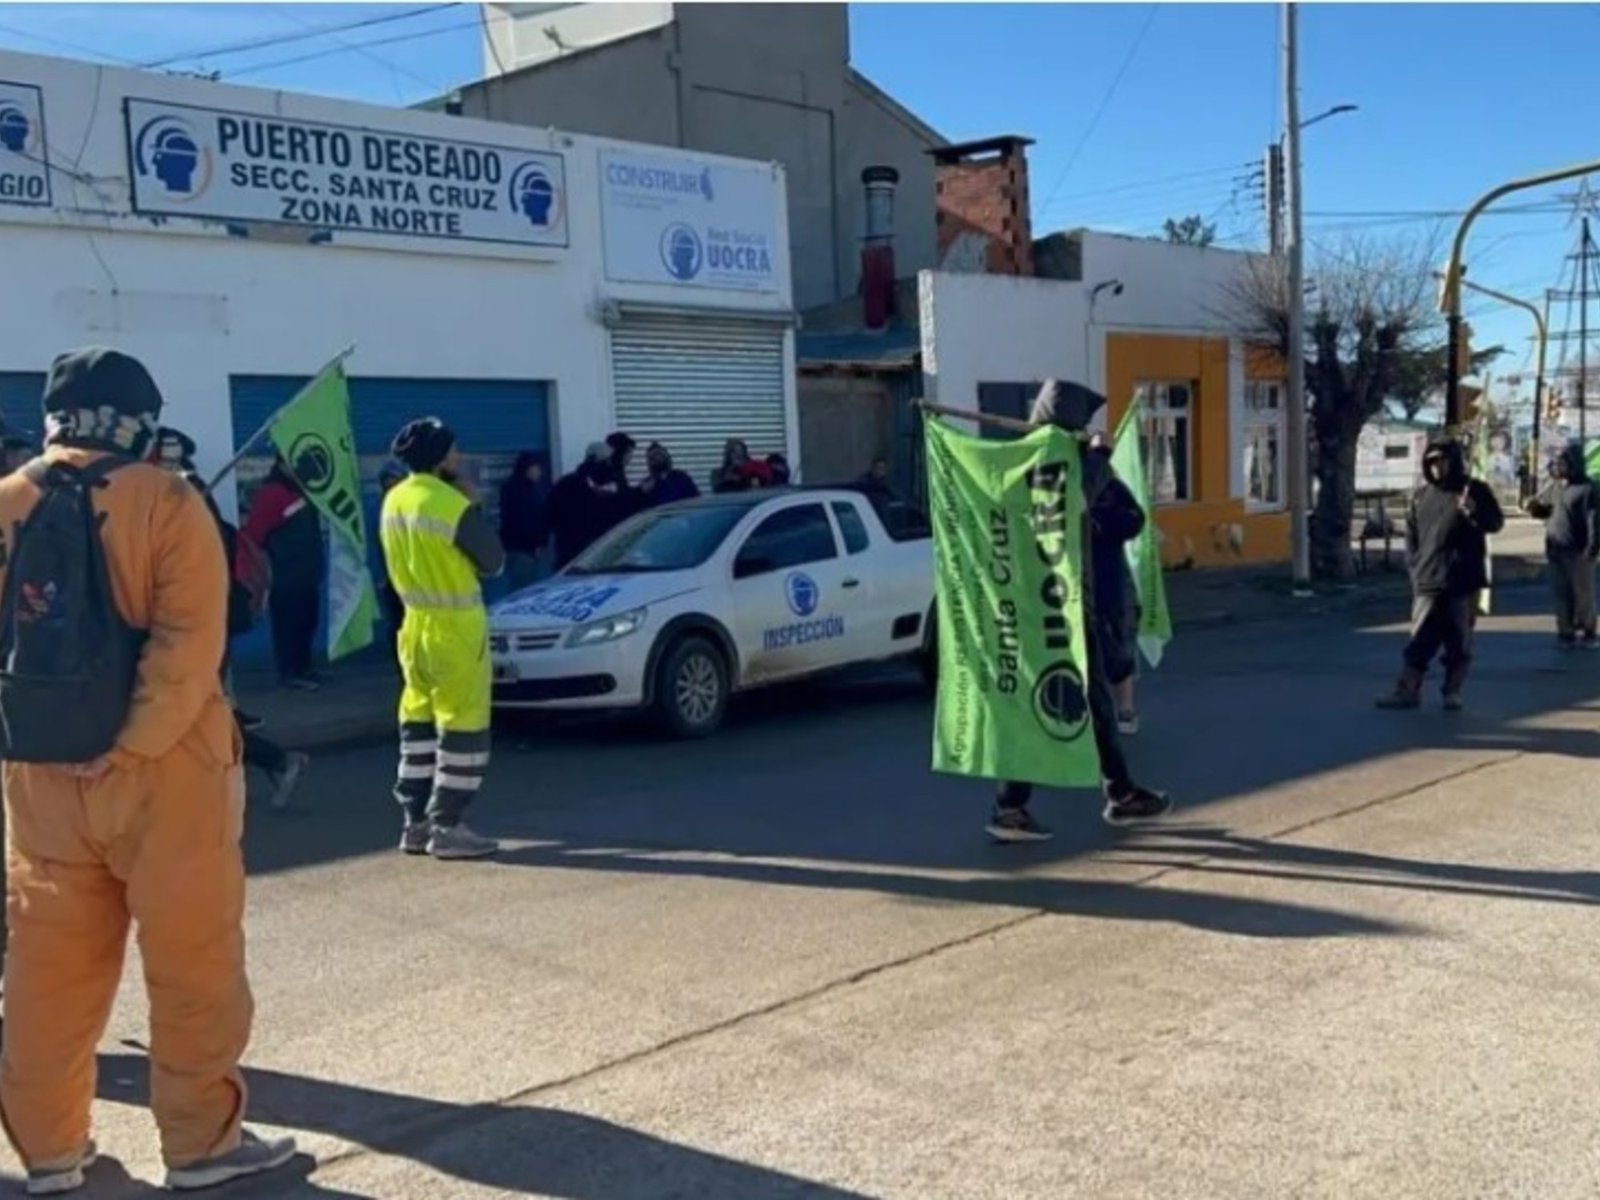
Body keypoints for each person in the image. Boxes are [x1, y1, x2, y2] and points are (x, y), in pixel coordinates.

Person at [0, 348, 295, 1193]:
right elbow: (187, 645)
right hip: (166, 778)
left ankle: (50, 1152)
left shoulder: (8, 500)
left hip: (39, 777)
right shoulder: (166, 500)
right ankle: (203, 1145)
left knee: (46, 974)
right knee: (193, 962)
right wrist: (126, 747)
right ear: (137, 418)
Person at [986, 380, 1172, 843]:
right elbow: (1067, 498)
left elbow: (1119, 514)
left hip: (1058, 605)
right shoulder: (1045, 461)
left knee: (1090, 702)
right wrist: (1097, 458)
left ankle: (1115, 793)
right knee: (1056, 704)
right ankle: (1018, 806)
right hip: (1049, 607)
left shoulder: (1041, 458)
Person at [154, 427, 308, 812]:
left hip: (196, 623)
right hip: (188, 622)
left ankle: (269, 762)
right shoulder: (169, 494)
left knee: (199, 708)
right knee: (200, 707)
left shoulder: (182, 495)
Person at [382, 418, 506, 860]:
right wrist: (474, 508)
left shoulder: (394, 499)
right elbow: (493, 562)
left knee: (417, 727)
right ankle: (448, 826)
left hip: (414, 628)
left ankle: (414, 823)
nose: (458, 457)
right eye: (453, 451)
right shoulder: (449, 503)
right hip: (456, 628)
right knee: (463, 728)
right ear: (440, 458)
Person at [1377, 438, 1505, 712]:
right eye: (1432, 461)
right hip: (1428, 580)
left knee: (1458, 642)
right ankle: (1407, 690)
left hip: (1462, 581)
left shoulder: (1474, 490)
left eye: (1442, 461)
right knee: (1419, 640)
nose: (1436, 467)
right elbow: (1412, 539)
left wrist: (1473, 511)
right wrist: (1414, 568)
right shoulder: (1421, 496)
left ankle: (1452, 691)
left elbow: (1494, 523)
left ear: (1454, 461)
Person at [243, 460, 325, 692]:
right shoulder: (272, 493)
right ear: (281, 465)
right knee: (289, 624)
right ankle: (290, 672)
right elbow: (255, 533)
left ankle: (304, 667)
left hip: (308, 571)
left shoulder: (303, 490)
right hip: (285, 573)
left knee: (307, 621)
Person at [1086, 433, 1146, 734]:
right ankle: (1101, 713)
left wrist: (1103, 521)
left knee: (1119, 644)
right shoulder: (1061, 483)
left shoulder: (1111, 489)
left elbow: (1136, 519)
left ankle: (1124, 711)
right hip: (1076, 581)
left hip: (1109, 579)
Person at [1525, 439, 1599, 649]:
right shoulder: (1555, 488)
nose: (1558, 468)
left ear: (1574, 464)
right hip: (1555, 549)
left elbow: (1593, 520)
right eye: (1556, 464)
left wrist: (1592, 548)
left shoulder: (1588, 489)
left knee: (1582, 593)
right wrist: (1533, 508)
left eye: (1562, 464)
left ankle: (1588, 631)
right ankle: (1565, 631)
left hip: (1578, 550)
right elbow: (1546, 512)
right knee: (1561, 593)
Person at [499, 451, 552, 591]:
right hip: (522, 549)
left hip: (525, 548)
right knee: (525, 588)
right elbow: (523, 520)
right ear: (527, 468)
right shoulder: (518, 491)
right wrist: (538, 541)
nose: (540, 472)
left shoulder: (530, 489)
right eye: (537, 468)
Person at [375, 460, 408, 662]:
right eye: (388, 481)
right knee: (397, 621)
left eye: (395, 480)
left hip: (410, 574)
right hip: (391, 575)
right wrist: (381, 575)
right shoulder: (379, 508)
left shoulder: (409, 506)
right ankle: (400, 659)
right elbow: (375, 543)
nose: (391, 485)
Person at [640, 441, 700, 507]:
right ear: (649, 462)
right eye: (653, 457)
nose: (658, 459)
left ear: (667, 457)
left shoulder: (682, 477)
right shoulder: (647, 485)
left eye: (660, 455)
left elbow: (696, 500)